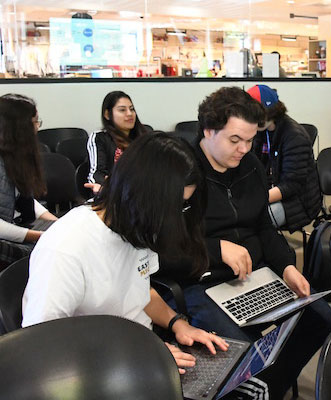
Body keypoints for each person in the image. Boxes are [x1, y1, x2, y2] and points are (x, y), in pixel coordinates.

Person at [158, 86, 331, 399]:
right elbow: (163, 248)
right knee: (242, 347)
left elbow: (263, 225)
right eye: (234, 140)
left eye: (251, 139)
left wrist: (287, 268)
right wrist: (216, 248)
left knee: (321, 319)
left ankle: (268, 389)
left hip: (254, 276)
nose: (243, 149)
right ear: (208, 130)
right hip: (201, 283)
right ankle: (256, 388)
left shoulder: (250, 165)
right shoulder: (181, 171)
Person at [22, 133, 227, 374]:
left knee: (237, 378)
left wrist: (178, 324)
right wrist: (136, 353)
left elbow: (141, 291)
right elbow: (43, 345)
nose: (177, 216)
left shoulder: (137, 227)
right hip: (100, 366)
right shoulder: (66, 248)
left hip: (140, 347)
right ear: (144, 197)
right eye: (175, 206)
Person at [247, 84, 321, 231]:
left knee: (252, 222)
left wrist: (256, 199)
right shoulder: (262, 131)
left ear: (271, 112)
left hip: (298, 202)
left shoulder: (294, 136)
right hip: (272, 191)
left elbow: (292, 185)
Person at [0, 94, 57, 269]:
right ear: (19, 128)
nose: (37, 128)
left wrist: (55, 222)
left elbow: (23, 197)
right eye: (34, 122)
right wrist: (39, 235)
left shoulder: (14, 156)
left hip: (16, 230)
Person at [86, 91, 150, 193]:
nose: (129, 114)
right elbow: (97, 174)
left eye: (132, 109)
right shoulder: (100, 137)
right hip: (115, 195)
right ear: (107, 114)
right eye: (122, 110)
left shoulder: (145, 136)